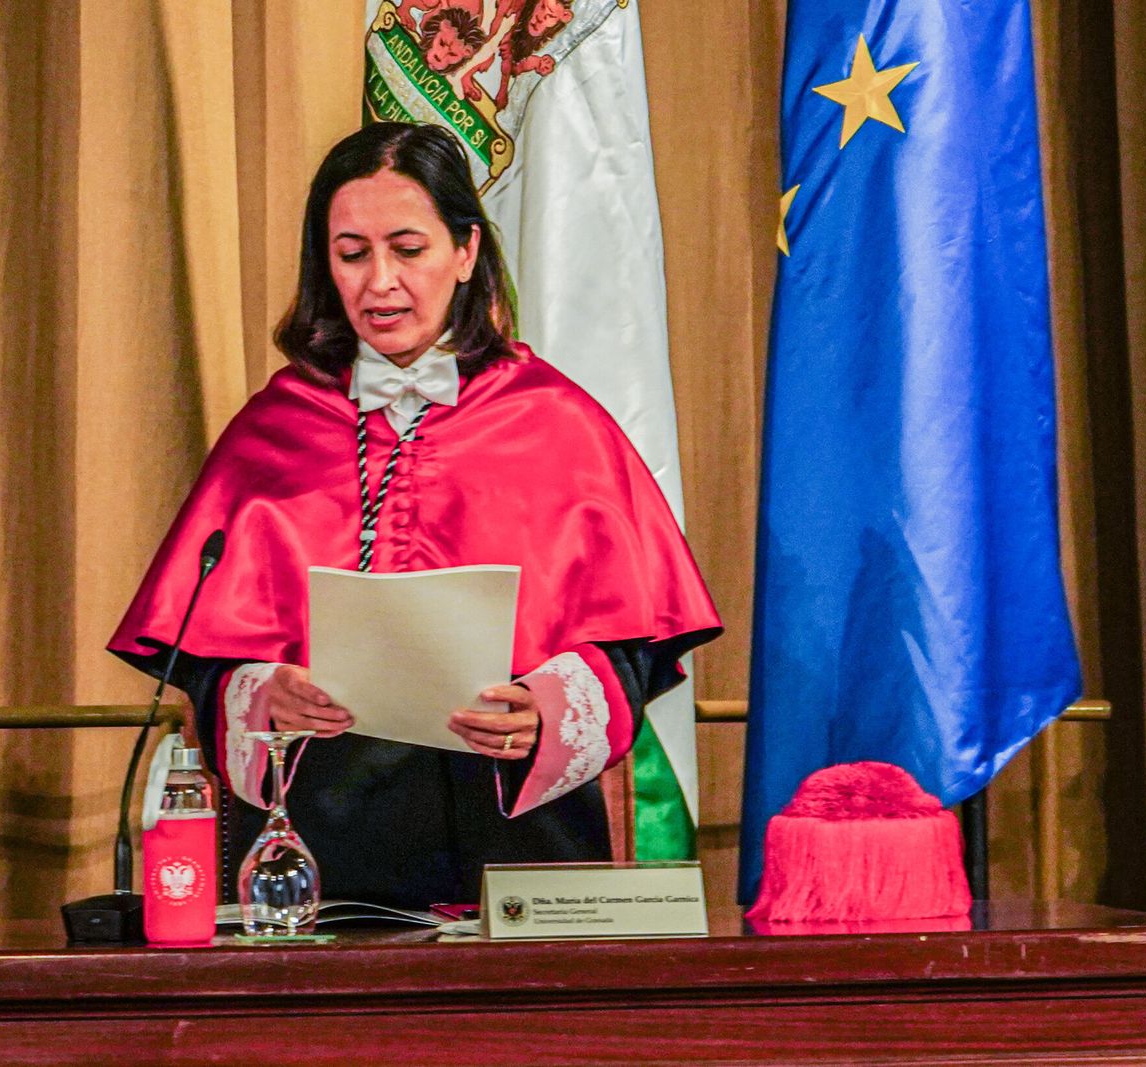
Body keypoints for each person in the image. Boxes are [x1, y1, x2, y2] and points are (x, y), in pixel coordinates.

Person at [110, 121, 720, 910]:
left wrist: (547, 709)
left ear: (465, 252)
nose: (379, 282)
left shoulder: (559, 423)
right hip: (323, 854)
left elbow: (635, 644)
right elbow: (199, 651)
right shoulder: (273, 429)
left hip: (521, 852)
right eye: (352, 253)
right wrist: (261, 694)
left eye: (408, 248)